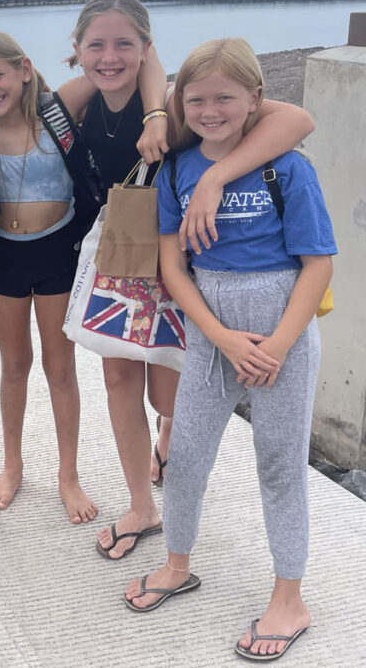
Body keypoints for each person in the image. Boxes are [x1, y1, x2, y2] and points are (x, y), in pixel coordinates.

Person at [63, 0, 316, 558]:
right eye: (96, 45)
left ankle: (171, 437)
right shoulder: (81, 101)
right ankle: (141, 504)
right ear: (77, 49)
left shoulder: (179, 106)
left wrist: (213, 177)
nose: (110, 57)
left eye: (125, 44)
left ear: (146, 48)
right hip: (125, 260)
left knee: (172, 391)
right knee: (119, 379)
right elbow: (23, 100)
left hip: (185, 261)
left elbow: (298, 119)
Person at [125, 38, 334, 664]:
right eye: (196, 100)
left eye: (225, 98)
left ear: (255, 99)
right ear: (179, 104)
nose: (210, 111)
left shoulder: (286, 169)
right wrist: (218, 337)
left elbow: (318, 265)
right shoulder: (178, 170)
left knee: (279, 464)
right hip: (212, 333)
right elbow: (173, 265)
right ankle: (177, 564)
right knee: (186, 454)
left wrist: (278, 346)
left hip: (279, 336)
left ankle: (289, 597)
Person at [0, 31, 115, 523]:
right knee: (14, 365)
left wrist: (156, 113)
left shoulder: (58, 110)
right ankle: (13, 465)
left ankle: (68, 475)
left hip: (58, 253)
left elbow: (114, 69)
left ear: (25, 69)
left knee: (60, 367)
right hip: (2, 254)